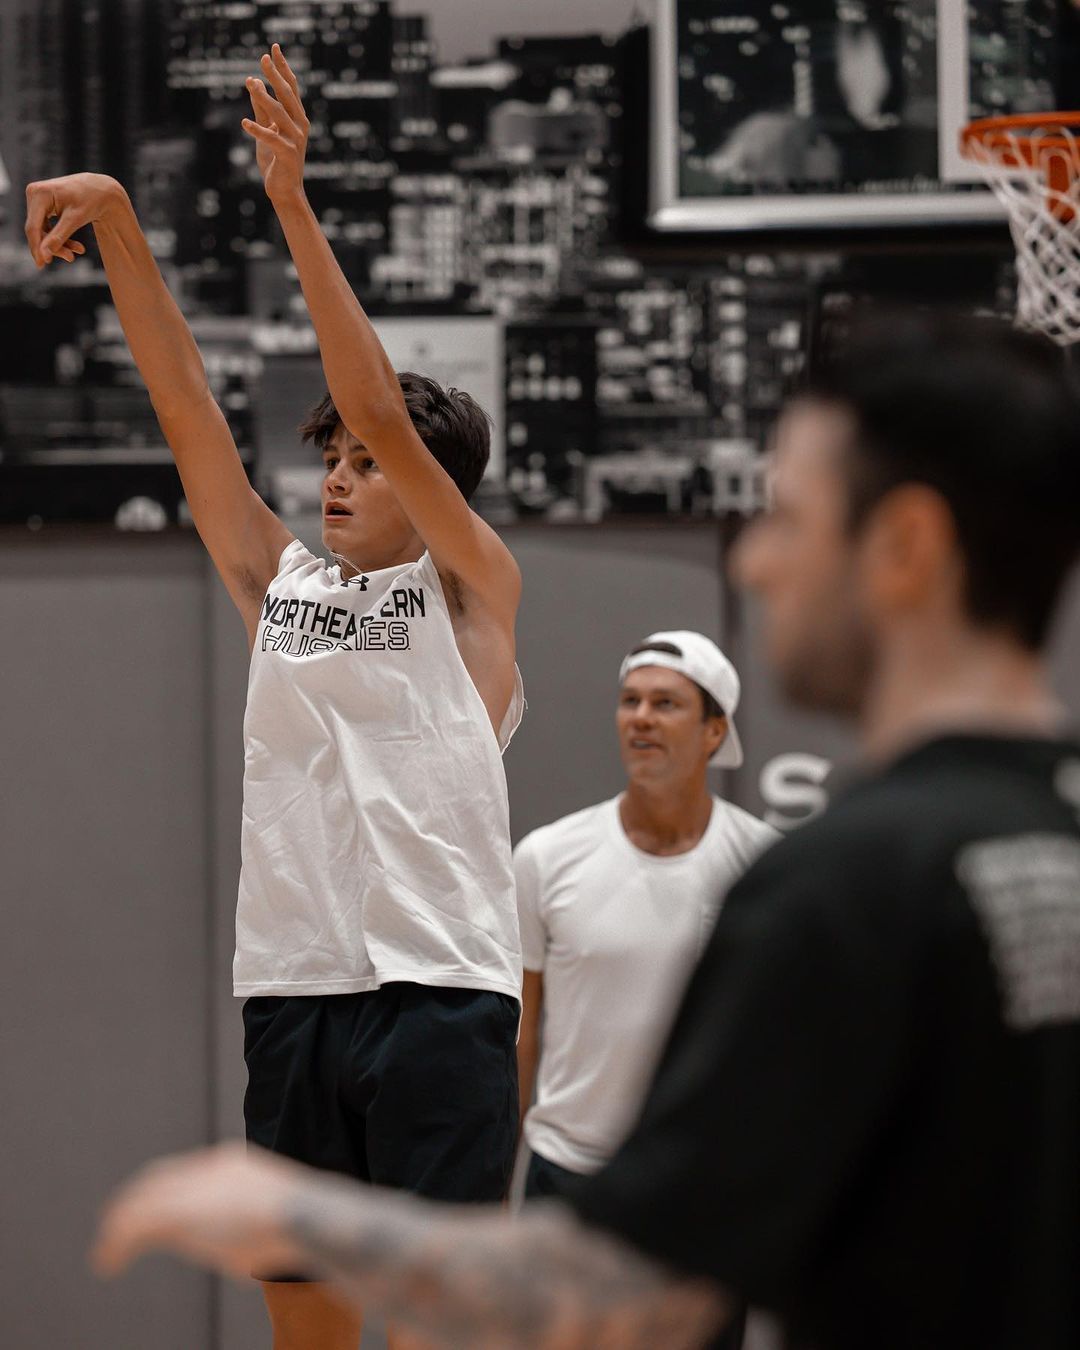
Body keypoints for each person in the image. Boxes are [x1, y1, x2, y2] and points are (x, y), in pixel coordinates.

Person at [92, 315, 1080, 1348]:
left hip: (436, 1014)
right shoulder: (1031, 842)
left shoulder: (840, 885)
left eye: (789, 517)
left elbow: (633, 1285)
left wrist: (293, 1217)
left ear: (907, 543)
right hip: (329, 1001)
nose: (754, 566)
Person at [27, 42, 524, 1350]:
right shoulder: (279, 577)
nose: (344, 475)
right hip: (293, 992)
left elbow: (374, 394)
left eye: (371, 462)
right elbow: (187, 405)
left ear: (433, 491)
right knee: (306, 1334)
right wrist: (125, 226)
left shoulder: (473, 587)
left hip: (440, 999)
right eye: (336, 461)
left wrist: (291, 202)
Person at [516, 630, 776, 1212]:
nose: (641, 718)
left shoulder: (766, 865)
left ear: (715, 731)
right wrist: (492, 1175)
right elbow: (520, 1032)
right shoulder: (545, 856)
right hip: (567, 1179)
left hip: (706, 1178)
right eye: (630, 700)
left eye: (666, 703)